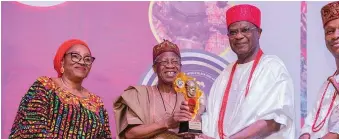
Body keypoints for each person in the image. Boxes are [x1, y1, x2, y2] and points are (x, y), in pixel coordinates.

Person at [178, 4, 295, 139]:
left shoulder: (272, 67)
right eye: (233, 32)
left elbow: (273, 122)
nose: (239, 36)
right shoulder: (225, 75)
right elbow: (213, 122)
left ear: (259, 32)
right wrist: (188, 124)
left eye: (245, 30)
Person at [9, 39, 112, 138]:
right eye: (75, 56)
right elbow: (32, 129)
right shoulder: (45, 87)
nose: (82, 62)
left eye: (87, 59)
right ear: (62, 61)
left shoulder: (96, 102)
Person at [113, 40, 190, 139]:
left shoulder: (187, 97)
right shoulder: (138, 95)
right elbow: (130, 134)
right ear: (154, 68)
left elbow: (194, 127)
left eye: (175, 62)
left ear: (180, 67)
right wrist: (166, 123)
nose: (170, 65)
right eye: (164, 62)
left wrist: (191, 133)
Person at [299, 1, 339, 139]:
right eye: (330, 31)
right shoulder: (327, 85)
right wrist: (305, 134)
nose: (335, 36)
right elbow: (311, 122)